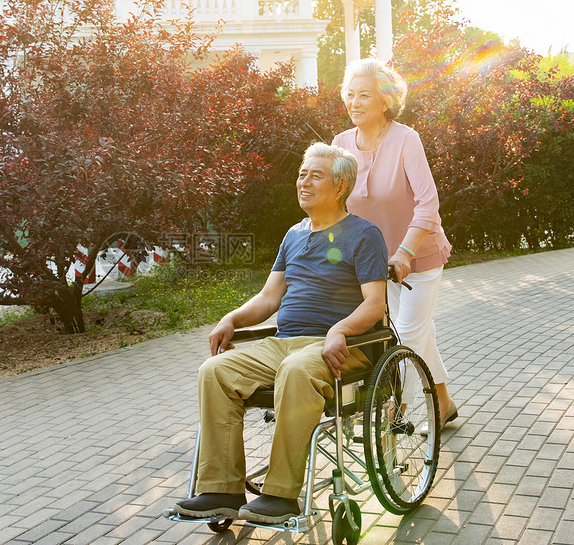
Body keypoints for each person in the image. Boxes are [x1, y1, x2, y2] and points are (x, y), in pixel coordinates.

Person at [170, 143, 388, 525]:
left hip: (339, 345)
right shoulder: (293, 234)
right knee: (215, 371)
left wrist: (339, 329)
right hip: (284, 344)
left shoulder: (363, 234)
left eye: (315, 175)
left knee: (296, 370)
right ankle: (222, 488)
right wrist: (231, 319)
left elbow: (375, 304)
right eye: (302, 173)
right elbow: (269, 297)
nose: (303, 181)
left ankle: (280, 494)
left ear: (340, 186)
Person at [331, 58, 456, 435]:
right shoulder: (339, 145)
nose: (354, 102)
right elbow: (335, 206)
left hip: (419, 257)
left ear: (385, 100)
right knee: (419, 333)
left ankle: (393, 415)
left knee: (406, 333)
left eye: (364, 95)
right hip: (375, 264)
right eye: (349, 94)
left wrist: (405, 251)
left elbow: (428, 203)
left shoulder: (405, 139)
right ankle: (444, 404)